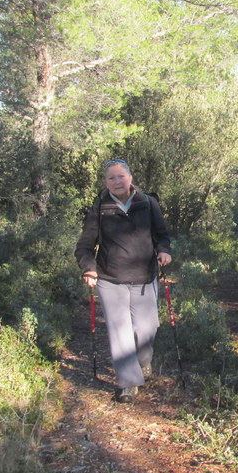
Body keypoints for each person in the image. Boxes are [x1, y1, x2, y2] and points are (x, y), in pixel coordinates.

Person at [75, 159, 173, 404]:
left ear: (130, 177)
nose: (117, 182)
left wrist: (163, 250)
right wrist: (89, 269)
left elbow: (162, 235)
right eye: (111, 178)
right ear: (105, 182)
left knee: (147, 329)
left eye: (121, 176)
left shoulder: (148, 203)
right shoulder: (100, 207)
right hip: (111, 278)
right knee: (121, 333)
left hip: (145, 276)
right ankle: (127, 383)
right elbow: (84, 246)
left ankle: (143, 362)